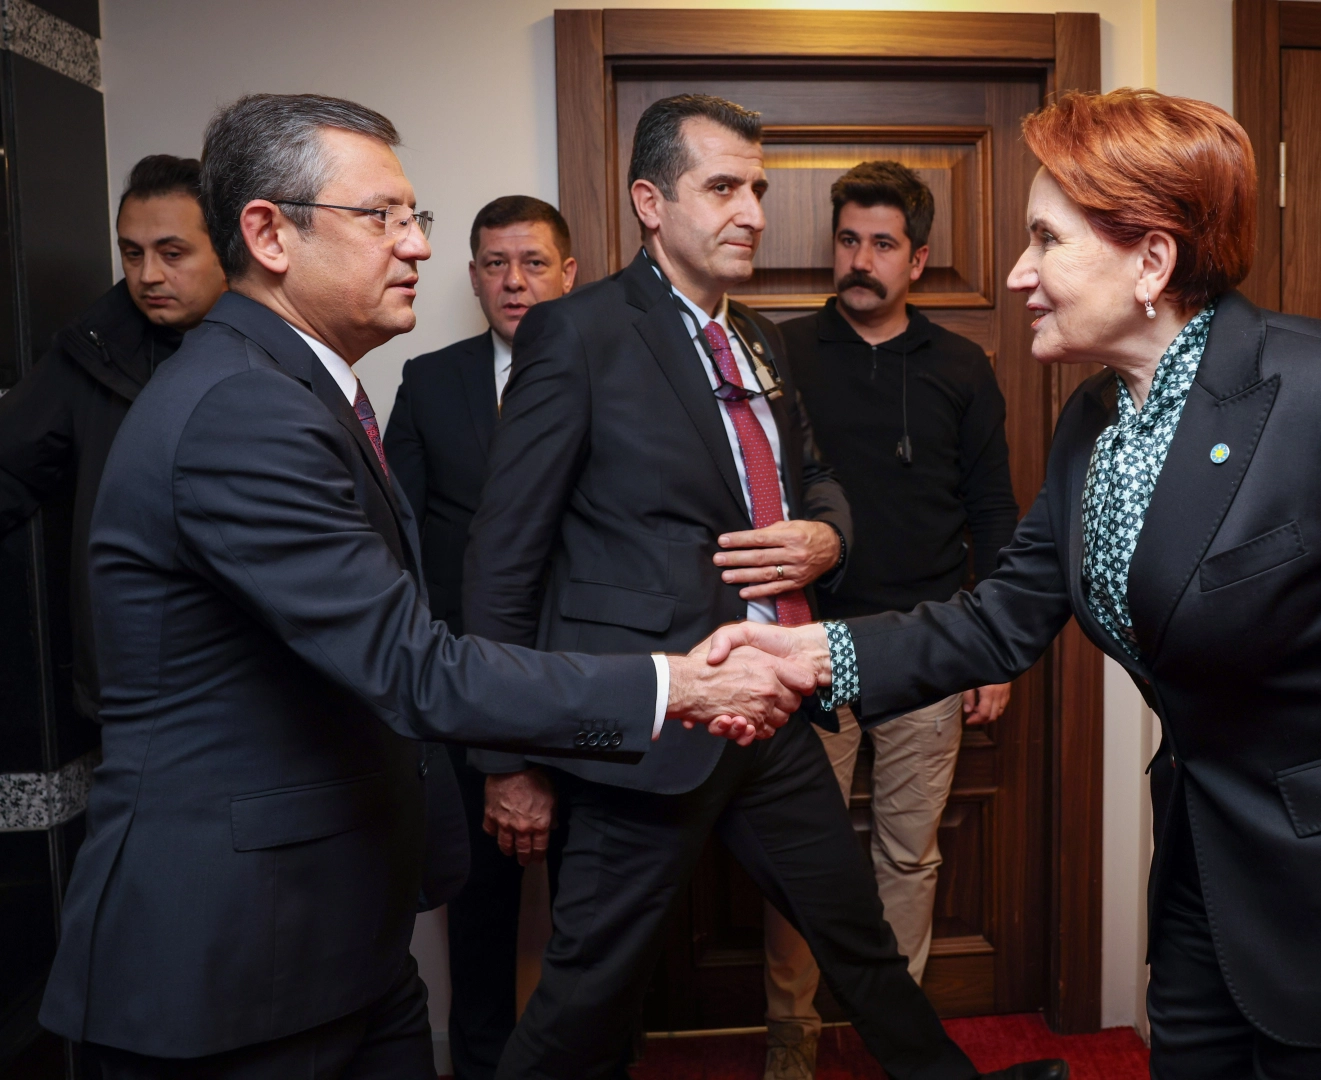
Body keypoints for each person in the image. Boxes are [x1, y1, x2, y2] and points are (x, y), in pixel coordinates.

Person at [706, 88, 1321, 1080]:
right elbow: (999, 618)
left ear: (1151, 261)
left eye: (1044, 240)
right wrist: (809, 652)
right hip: (1204, 886)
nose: (1016, 274)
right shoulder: (1094, 421)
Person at [36, 92, 812, 1080]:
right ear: (268, 232)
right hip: (227, 970)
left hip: (338, 938)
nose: (417, 248)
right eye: (382, 218)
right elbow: (413, 664)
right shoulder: (241, 410)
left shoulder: (301, 388)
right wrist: (675, 685)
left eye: (417, 220)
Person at [461, 93, 1064, 1080]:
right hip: (649, 725)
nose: (752, 212)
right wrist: (505, 758)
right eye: (724, 188)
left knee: (856, 940)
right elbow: (503, 554)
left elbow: (815, 474)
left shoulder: (760, 340)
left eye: (759, 190)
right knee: (584, 992)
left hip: (772, 713)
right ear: (650, 202)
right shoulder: (575, 336)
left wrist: (826, 533)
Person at [760, 160, 1020, 1079]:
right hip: (807, 649)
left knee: (909, 858)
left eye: (881, 244)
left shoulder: (960, 367)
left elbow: (993, 512)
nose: (859, 260)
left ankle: (896, 1040)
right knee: (801, 858)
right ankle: (791, 1032)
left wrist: (995, 652)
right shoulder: (778, 353)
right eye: (846, 240)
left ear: (918, 257)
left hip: (930, 651)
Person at [383, 194, 577, 1080]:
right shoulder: (429, 380)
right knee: (481, 903)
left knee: (596, 901)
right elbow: (396, 537)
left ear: (567, 274)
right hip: (465, 685)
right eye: (496, 264)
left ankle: (591, 1059)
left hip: (589, 682)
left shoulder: (610, 374)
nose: (514, 280)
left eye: (533, 262)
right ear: (471, 277)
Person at [0, 153, 226, 721]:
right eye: (132, 253)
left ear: (229, 247)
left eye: (172, 254)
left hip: (254, 688)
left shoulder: (284, 349)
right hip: (134, 688)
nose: (148, 274)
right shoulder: (91, 352)